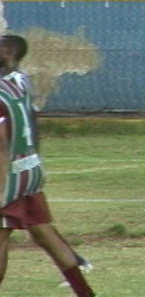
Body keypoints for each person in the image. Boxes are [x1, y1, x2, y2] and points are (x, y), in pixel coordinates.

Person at [0, 35, 96, 297]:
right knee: (44, 234)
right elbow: (32, 120)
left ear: (7, 52)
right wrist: (37, 160)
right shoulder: (20, 81)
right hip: (30, 167)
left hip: (9, 175)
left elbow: (2, 143)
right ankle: (84, 293)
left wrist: (1, 189)